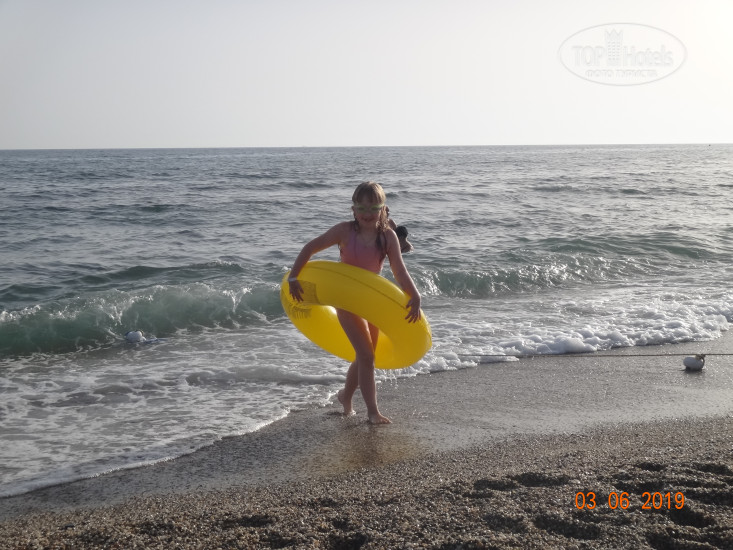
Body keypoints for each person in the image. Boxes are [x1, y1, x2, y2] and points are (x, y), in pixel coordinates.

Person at [288, 182, 421, 424]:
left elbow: (399, 270)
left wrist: (414, 295)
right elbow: (311, 247)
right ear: (353, 209)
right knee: (367, 356)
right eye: (361, 208)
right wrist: (293, 277)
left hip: (372, 302)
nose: (367, 213)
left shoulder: (388, 236)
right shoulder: (344, 231)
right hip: (347, 301)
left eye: (373, 208)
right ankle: (372, 412)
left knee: (364, 357)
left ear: (383, 209)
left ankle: (345, 396)